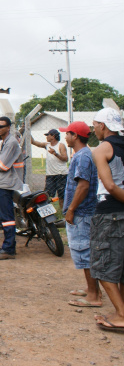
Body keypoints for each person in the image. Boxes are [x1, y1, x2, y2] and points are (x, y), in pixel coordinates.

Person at [56, 121, 100, 307]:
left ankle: (93, 296)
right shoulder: (82, 154)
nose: (65, 136)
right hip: (84, 211)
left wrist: (71, 209)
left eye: (68, 133)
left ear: (75, 136)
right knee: (86, 251)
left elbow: (83, 185)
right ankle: (92, 289)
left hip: (82, 212)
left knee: (84, 251)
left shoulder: (82, 156)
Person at [90, 108, 124, 332]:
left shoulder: (102, 148)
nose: (93, 129)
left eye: (95, 125)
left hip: (109, 212)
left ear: (103, 125)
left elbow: (110, 185)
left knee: (103, 267)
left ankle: (121, 315)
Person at [0, 117, 25, 260]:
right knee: (5, 217)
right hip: (3, 182)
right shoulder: (5, 142)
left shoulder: (10, 143)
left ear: (8, 127)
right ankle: (8, 245)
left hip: (6, 183)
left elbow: (2, 165)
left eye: (1, 126)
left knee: (7, 217)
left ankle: (8, 249)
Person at [31, 129, 68, 213]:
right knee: (46, 195)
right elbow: (33, 142)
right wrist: (26, 130)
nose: (46, 137)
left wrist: (55, 153)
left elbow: (65, 158)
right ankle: (46, 212)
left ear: (53, 136)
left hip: (61, 174)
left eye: (48, 135)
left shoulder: (60, 145)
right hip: (50, 175)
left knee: (62, 196)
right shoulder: (47, 145)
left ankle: (62, 213)